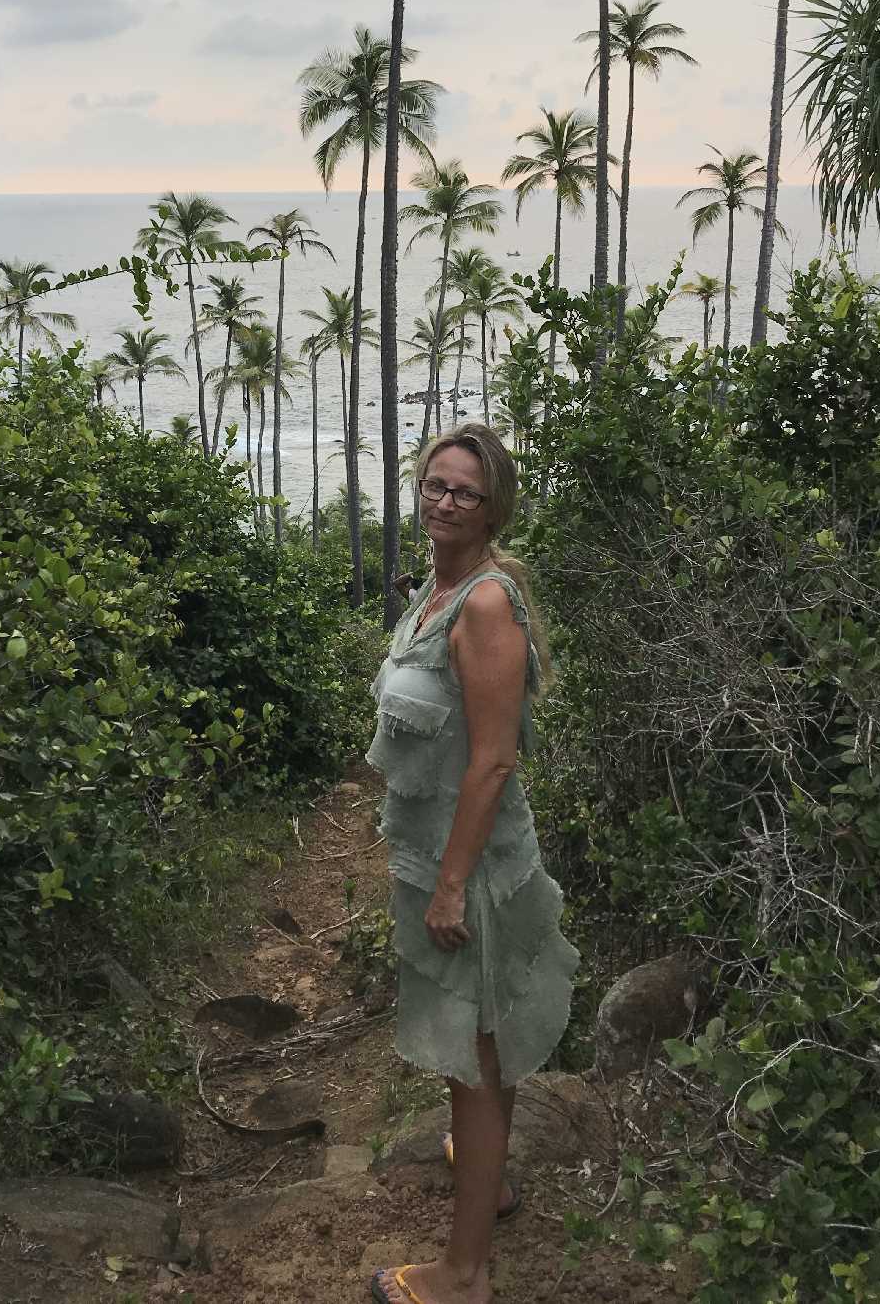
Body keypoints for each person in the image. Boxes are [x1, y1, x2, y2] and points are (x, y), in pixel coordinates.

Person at [368, 424, 579, 1304]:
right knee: (483, 1043)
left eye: (465, 492)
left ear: (494, 508)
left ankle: (463, 1276)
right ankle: (485, 1181)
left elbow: (493, 761)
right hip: (442, 856)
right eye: (435, 484)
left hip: (476, 869)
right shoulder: (439, 583)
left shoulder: (485, 603)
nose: (444, 501)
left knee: (475, 1060)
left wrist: (452, 883)